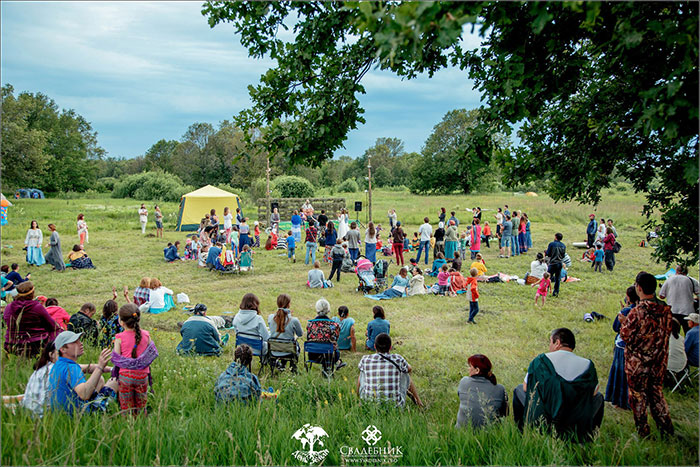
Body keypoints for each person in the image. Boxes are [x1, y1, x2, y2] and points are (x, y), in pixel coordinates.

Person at [513, 328, 604, 440]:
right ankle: (589, 435)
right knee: (599, 397)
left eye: (550, 342)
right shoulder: (588, 365)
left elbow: (526, 388)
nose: (549, 346)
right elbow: (594, 392)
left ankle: (521, 431)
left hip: (546, 417)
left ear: (557, 343)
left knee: (518, 390)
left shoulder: (541, 361)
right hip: (576, 418)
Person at [620, 272, 674, 438]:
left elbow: (626, 336)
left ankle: (643, 432)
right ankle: (667, 429)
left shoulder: (638, 312)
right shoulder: (665, 310)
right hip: (659, 362)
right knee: (657, 395)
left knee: (638, 397)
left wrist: (624, 322)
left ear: (639, 288)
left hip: (639, 364)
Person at [48, 331, 118, 414]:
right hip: (78, 414)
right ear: (63, 349)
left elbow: (89, 367)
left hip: (62, 413)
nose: (80, 343)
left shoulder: (59, 364)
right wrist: (100, 367)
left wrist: (111, 369)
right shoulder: (71, 368)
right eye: (75, 342)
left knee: (100, 379)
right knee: (114, 382)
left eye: (79, 340)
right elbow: (84, 394)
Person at [358, 333, 423, 408]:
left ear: (375, 346)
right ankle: (418, 402)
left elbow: (361, 379)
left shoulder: (365, 359)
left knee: (362, 372)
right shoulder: (398, 359)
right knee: (405, 373)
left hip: (369, 406)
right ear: (390, 347)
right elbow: (409, 369)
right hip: (396, 407)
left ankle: (360, 401)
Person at [114, 303, 155, 415]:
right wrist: (140, 363)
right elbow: (151, 353)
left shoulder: (119, 337)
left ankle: (129, 426)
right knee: (141, 404)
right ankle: (142, 423)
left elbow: (117, 358)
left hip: (125, 376)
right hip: (142, 375)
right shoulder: (146, 335)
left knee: (126, 406)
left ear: (121, 322)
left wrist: (128, 364)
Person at [604, 286, 638, 410]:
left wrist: (623, 312)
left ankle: (619, 401)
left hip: (623, 346)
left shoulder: (626, 311)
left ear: (628, 297)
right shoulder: (641, 310)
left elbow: (615, 327)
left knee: (620, 374)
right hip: (636, 348)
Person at [3, 282, 59, 357]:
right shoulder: (37, 307)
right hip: (35, 345)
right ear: (32, 293)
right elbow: (53, 326)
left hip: (11, 344)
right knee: (58, 331)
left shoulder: (9, 307)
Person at [456, 354, 508, 428]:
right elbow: (504, 414)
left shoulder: (464, 382)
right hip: (491, 434)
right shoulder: (500, 389)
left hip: (462, 434)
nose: (468, 369)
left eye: (470, 367)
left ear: (477, 370)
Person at [306, 298, 346, 373]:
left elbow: (308, 338)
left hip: (313, 355)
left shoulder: (310, 324)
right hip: (330, 355)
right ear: (328, 310)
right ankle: (331, 367)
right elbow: (335, 340)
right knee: (333, 348)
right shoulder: (334, 325)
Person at [20, 340, 58, 417]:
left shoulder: (42, 368)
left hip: (29, 413)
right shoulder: (53, 370)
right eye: (61, 352)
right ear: (51, 354)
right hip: (43, 416)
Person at [659, 264, 699, 334]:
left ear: (676, 271)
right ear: (686, 272)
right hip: (687, 311)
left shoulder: (669, 279)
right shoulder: (692, 280)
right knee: (688, 334)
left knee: (673, 335)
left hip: (672, 310)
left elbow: (661, 296)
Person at [267, 294, 303, 367]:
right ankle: (292, 366)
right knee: (296, 343)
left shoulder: (270, 318)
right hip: (289, 350)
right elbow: (300, 334)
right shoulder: (294, 320)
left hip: (274, 350)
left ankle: (280, 365)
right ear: (289, 304)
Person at [545, 233, 566, 297]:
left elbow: (548, 253)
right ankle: (556, 292)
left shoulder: (551, 244)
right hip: (559, 263)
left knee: (547, 277)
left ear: (556, 237)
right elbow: (563, 255)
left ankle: (545, 290)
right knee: (557, 278)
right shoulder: (563, 245)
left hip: (552, 263)